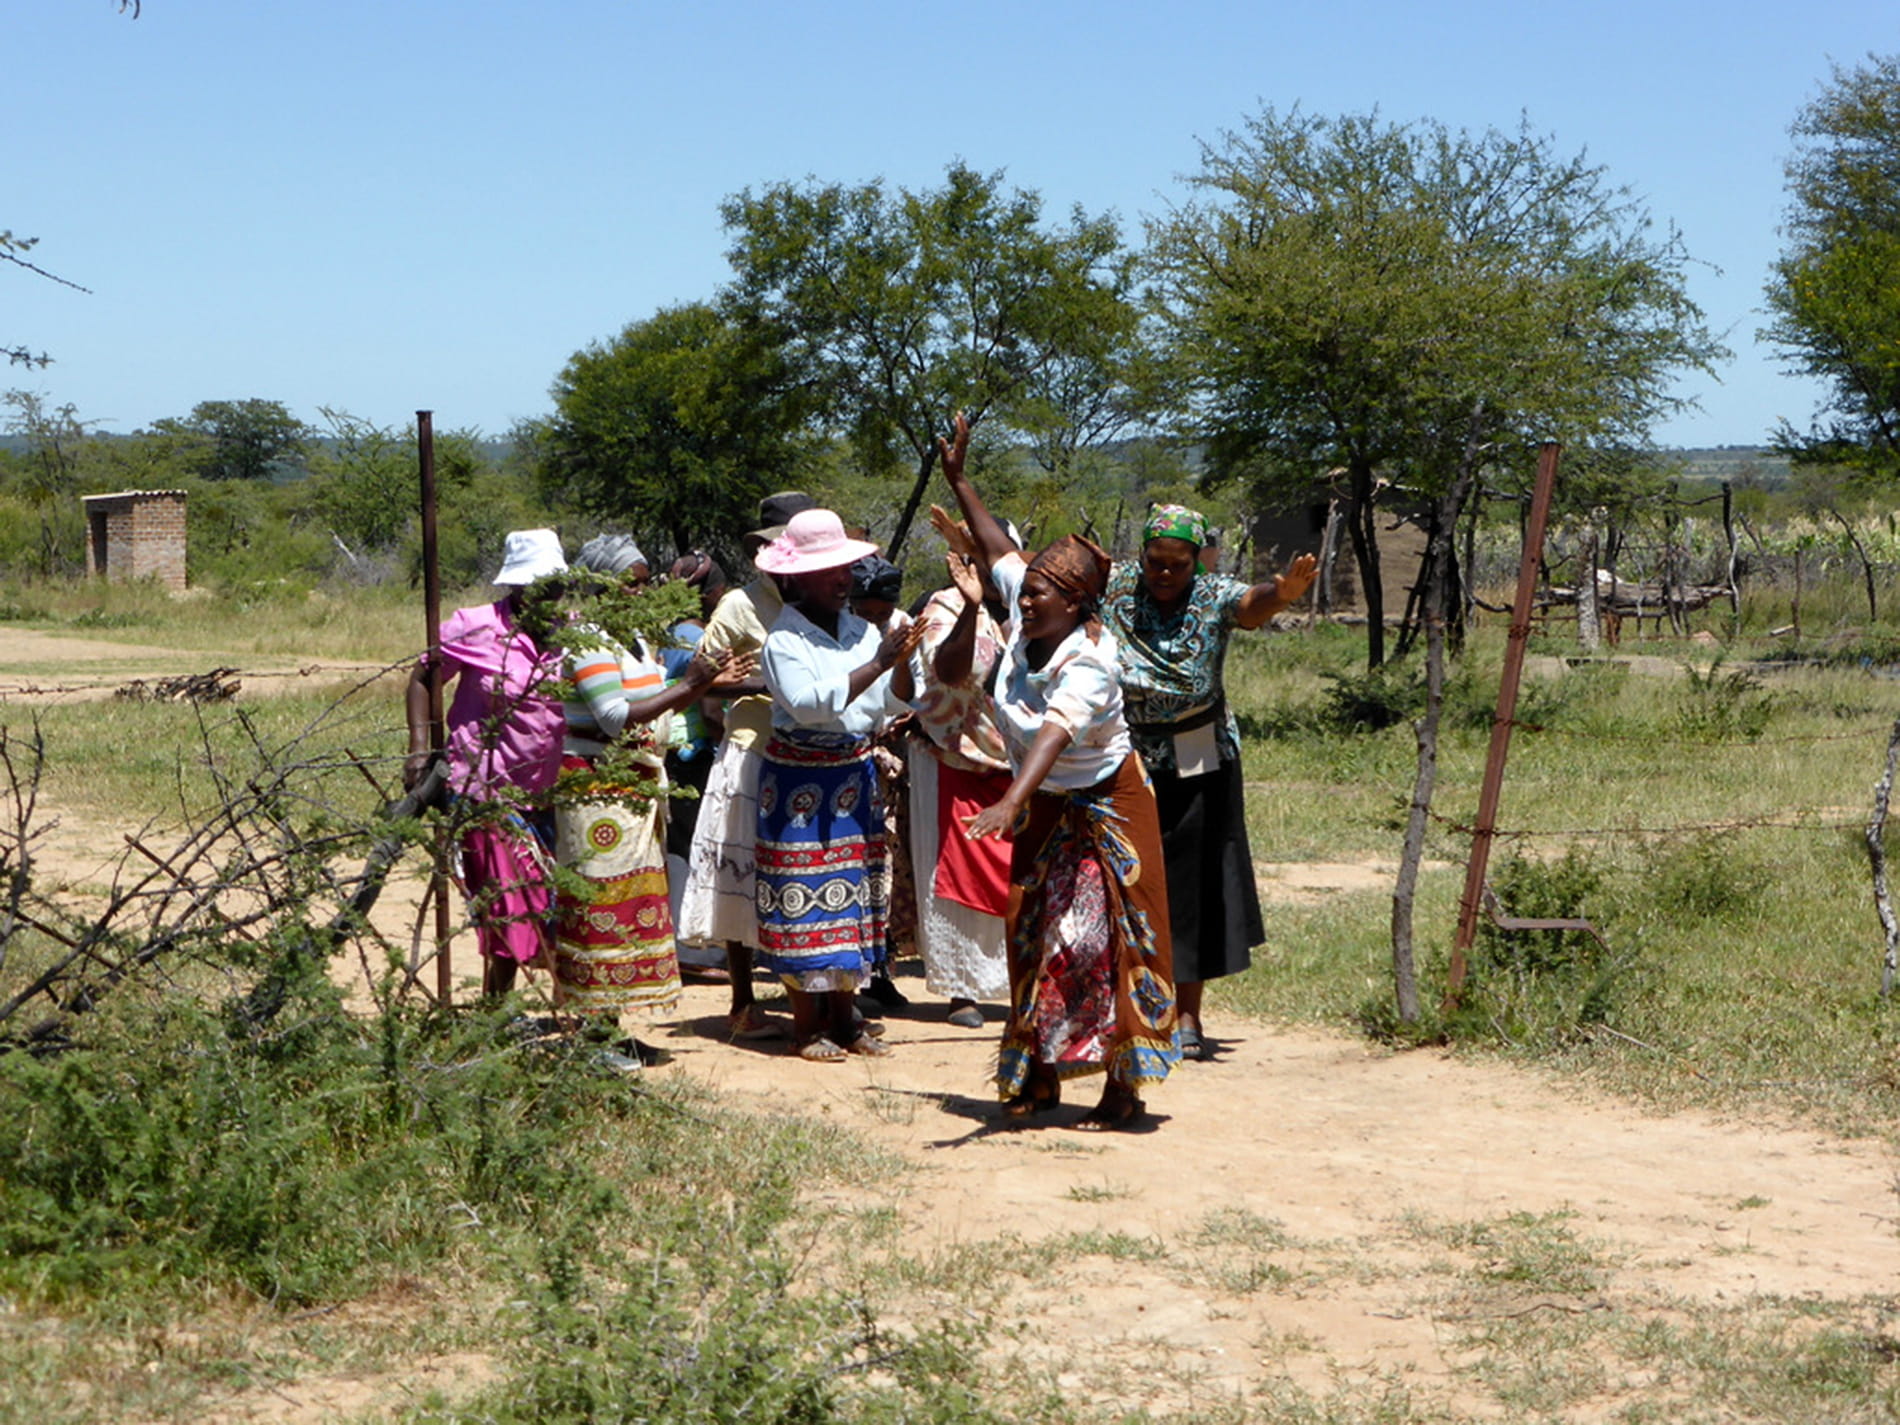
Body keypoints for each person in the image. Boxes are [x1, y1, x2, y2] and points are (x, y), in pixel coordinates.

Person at [939, 414, 1178, 1129]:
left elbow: (1055, 731)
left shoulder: (1091, 661)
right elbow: (997, 548)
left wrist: (1011, 797)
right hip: (1045, 804)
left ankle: (1124, 1083)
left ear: (1077, 604)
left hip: (1108, 803)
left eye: (1042, 595)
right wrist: (959, 478)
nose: (1026, 597)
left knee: (1116, 939)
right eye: (1027, 591)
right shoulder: (1029, 613)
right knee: (1032, 930)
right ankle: (1038, 1073)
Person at [1103, 506, 1317, 1060]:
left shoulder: (1214, 592)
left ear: (1197, 561)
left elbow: (1250, 607)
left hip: (1198, 754)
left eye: (1178, 565)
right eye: (1156, 563)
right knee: (1122, 875)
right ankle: (1119, 1003)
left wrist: (1284, 593)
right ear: (1141, 556)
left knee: (1189, 884)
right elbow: (1036, 571)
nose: (1165, 575)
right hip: (1125, 754)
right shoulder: (1118, 585)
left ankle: (1186, 1012)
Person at [547, 535, 744, 1053]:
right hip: (595, 786)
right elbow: (613, 717)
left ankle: (610, 1030)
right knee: (599, 904)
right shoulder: (588, 640)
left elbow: (656, 698)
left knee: (627, 904)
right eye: (628, 585)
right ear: (599, 586)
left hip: (631, 789)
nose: (638, 594)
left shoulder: (631, 639)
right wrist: (692, 685)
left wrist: (705, 683)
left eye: (641, 584)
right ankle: (593, 1035)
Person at [753, 510, 926, 1062]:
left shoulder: (857, 629)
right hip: (801, 783)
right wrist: (880, 661)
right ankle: (808, 1026)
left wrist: (901, 662)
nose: (842, 578)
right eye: (828, 569)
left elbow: (886, 703)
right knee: (803, 898)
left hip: (850, 778)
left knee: (851, 897)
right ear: (795, 578)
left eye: (845, 567)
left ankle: (845, 1018)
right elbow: (807, 704)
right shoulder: (784, 638)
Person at [403, 528, 567, 1000]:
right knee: (509, 905)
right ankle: (497, 1014)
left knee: (547, 900)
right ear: (515, 587)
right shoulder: (476, 626)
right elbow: (422, 678)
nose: (548, 595)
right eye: (537, 586)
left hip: (542, 791)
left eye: (554, 585)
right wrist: (419, 745)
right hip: (484, 790)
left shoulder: (565, 634)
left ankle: (543, 1012)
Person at [676, 493, 816, 1039]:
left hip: (809, 756)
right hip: (753, 751)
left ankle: (806, 993)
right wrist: (767, 684)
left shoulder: (821, 602)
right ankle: (742, 999)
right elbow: (700, 677)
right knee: (740, 872)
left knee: (800, 874)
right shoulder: (740, 605)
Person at [900, 511, 1015, 1028]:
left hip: (1014, 762)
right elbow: (948, 671)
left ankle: (1018, 980)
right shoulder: (944, 607)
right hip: (954, 757)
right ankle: (961, 989)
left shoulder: (1029, 609)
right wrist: (970, 609)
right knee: (952, 875)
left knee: (1017, 875)